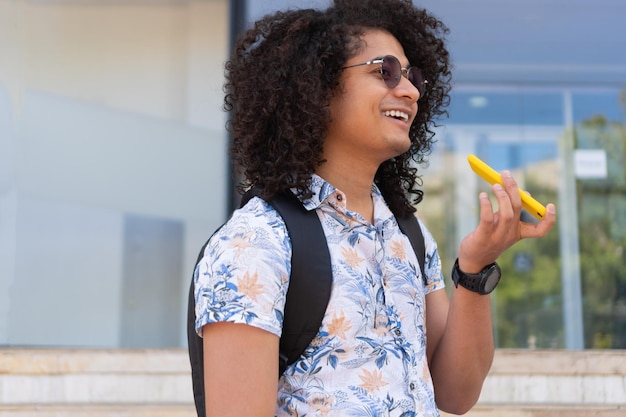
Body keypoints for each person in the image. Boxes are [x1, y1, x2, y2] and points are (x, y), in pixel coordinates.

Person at [193, 0, 557, 416]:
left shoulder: (407, 233)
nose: (411, 91)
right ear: (317, 87)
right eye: (385, 72)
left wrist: (474, 269)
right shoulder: (255, 242)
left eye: (413, 76)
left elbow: (456, 394)